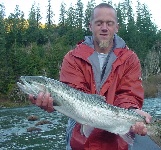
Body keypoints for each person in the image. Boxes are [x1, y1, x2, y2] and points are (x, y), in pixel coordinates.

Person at [29, 3, 152, 150]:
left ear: (117, 27)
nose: (104, 28)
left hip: (116, 141)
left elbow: (128, 95)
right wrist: (52, 105)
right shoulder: (73, 58)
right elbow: (74, 94)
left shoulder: (130, 59)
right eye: (99, 23)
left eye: (109, 23)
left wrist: (133, 111)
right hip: (79, 139)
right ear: (90, 26)